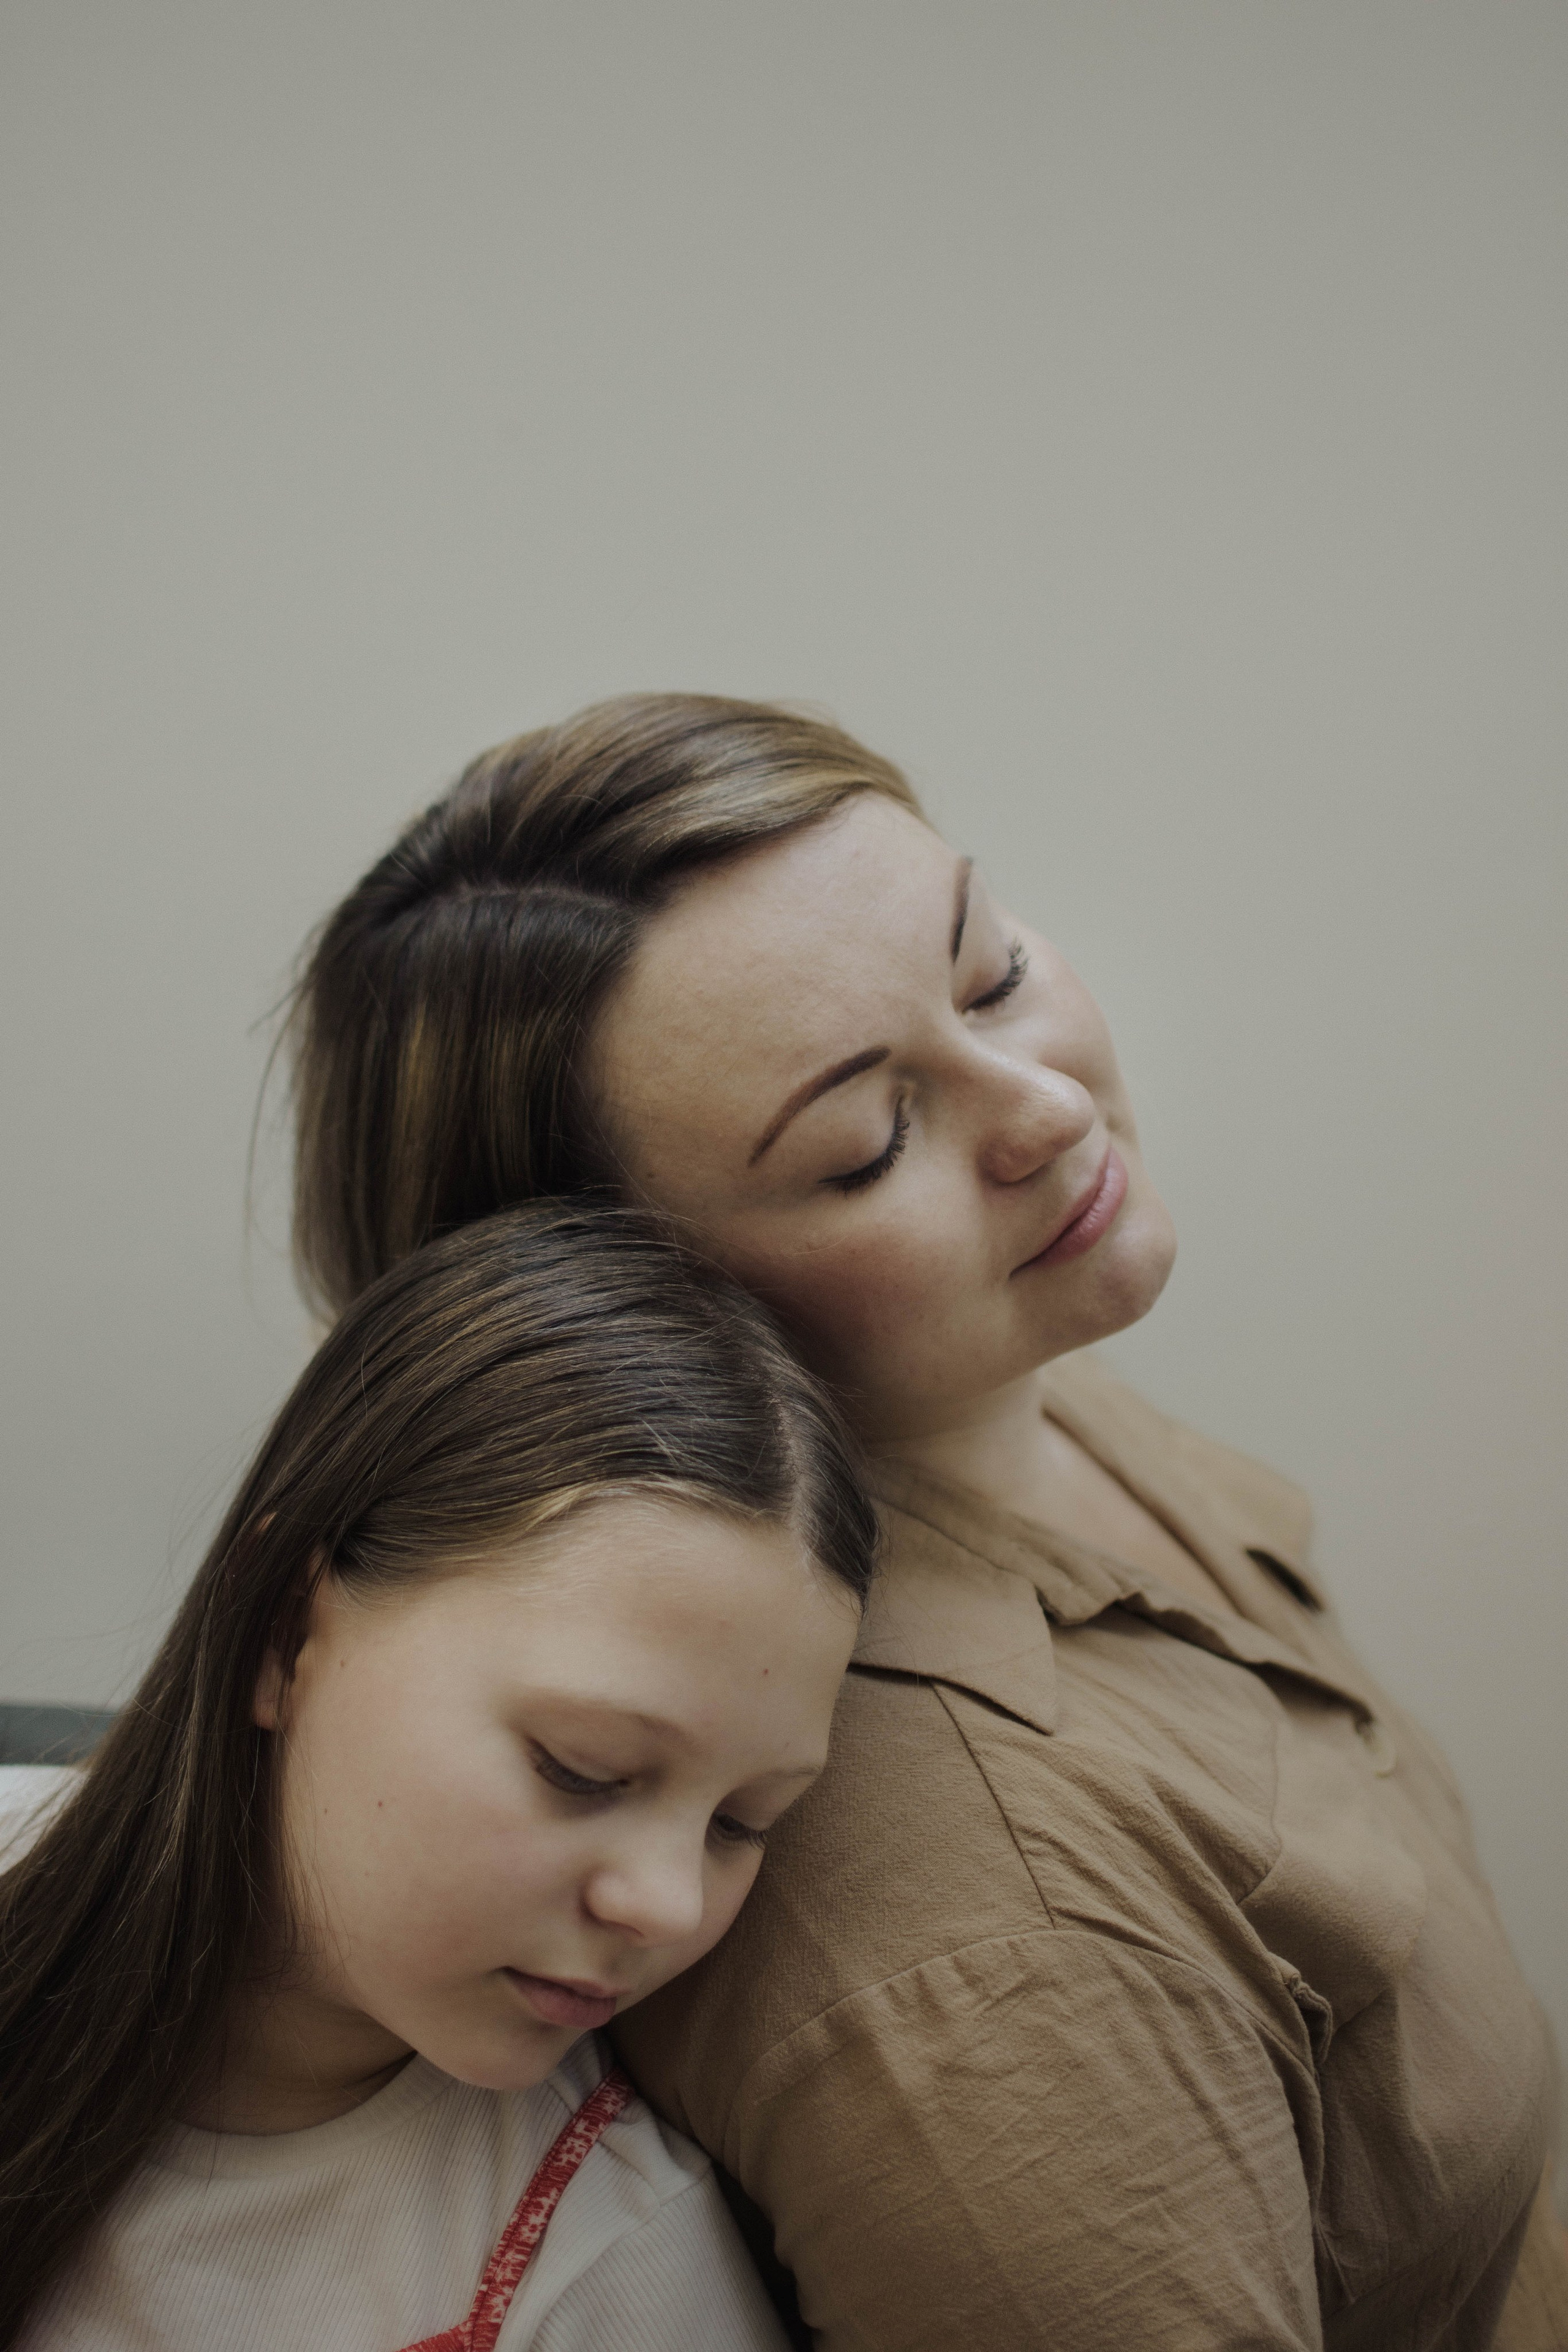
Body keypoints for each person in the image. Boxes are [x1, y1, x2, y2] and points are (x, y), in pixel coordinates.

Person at [284, 695, 1568, 2352]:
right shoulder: (982, 1938)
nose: (1042, 1107)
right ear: (633, 1320)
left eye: (989, 971)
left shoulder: (1022, 1387)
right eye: (869, 1141)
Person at [0, 1202, 878, 2352]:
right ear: (282, 1635)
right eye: (583, 1769)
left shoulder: (607, 2269)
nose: (665, 1905)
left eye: (742, 1823)